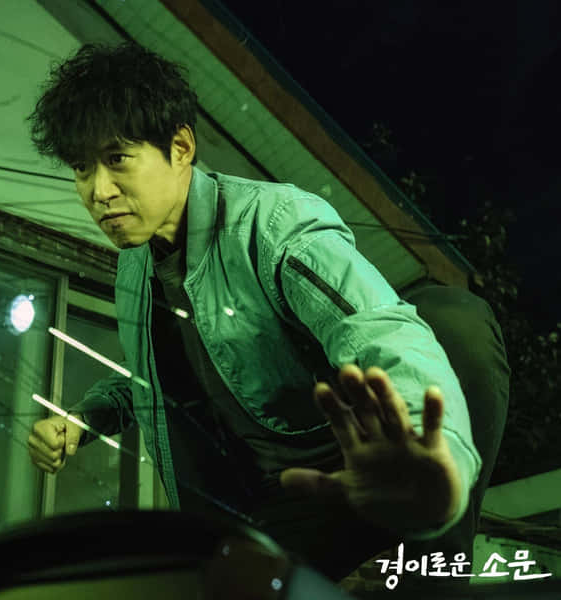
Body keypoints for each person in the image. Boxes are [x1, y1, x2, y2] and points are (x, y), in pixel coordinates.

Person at [25, 42, 509, 586]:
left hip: (362, 466)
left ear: (180, 147)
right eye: (81, 168)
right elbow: (150, 379)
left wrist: (429, 449)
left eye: (116, 159)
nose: (98, 191)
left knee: (455, 319)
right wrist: (83, 420)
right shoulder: (133, 270)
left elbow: (377, 327)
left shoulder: (274, 224)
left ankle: (431, 568)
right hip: (270, 505)